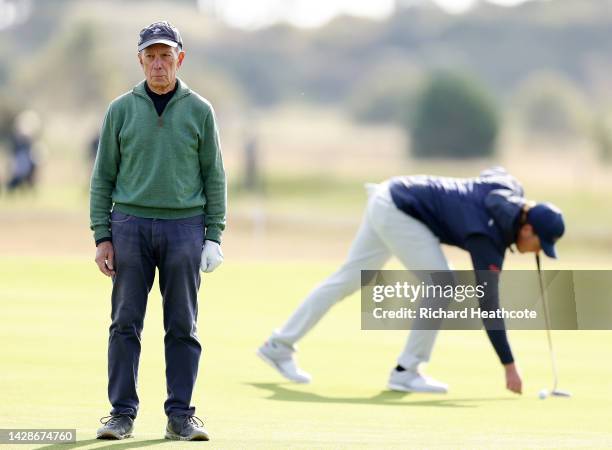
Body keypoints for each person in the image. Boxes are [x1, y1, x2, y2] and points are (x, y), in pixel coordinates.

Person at [257, 167, 564, 394]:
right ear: (527, 230)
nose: (537, 252)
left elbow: (494, 173)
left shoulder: (510, 188)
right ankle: (407, 371)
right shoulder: (486, 237)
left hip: (389, 194)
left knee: (347, 279)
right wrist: (509, 366)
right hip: (399, 209)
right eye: (541, 245)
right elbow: (489, 306)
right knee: (443, 284)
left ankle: (279, 345)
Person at [90, 21, 226, 441]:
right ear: (140, 60)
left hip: (185, 227)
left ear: (179, 59)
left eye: (166, 55)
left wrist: (214, 235)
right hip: (128, 225)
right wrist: (102, 236)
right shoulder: (120, 109)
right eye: (150, 55)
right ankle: (121, 414)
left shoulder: (200, 110)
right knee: (125, 322)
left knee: (183, 324)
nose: (158, 64)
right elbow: (102, 178)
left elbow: (214, 177)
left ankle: (181, 415)